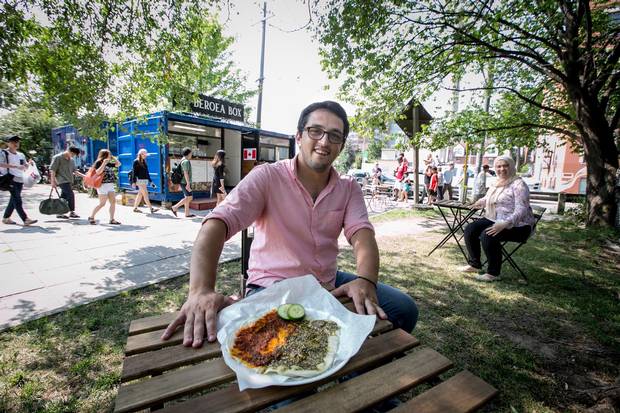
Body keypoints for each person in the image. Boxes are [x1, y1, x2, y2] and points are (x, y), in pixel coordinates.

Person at [161, 101, 418, 347]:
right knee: (287, 358)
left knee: (404, 309)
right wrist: (201, 290)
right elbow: (216, 224)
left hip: (326, 282)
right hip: (271, 287)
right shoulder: (267, 177)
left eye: (334, 136)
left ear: (340, 146)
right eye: (315, 131)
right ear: (298, 136)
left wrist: (366, 280)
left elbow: (362, 235)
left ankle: (356, 371)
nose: (324, 141)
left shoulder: (348, 188)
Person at [460, 156, 536, 282]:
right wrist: (479, 202)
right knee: (470, 229)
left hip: (520, 225)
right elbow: (488, 197)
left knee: (488, 234)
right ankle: (475, 265)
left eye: (505, 165)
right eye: (498, 166)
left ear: (511, 167)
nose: (502, 169)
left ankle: (493, 273)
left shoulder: (519, 184)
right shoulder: (497, 183)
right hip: (496, 218)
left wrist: (505, 223)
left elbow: (521, 210)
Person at [0, 135, 37, 226]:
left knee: (14, 199)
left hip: (20, 179)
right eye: (13, 142)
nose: (16, 144)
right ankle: (25, 219)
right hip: (10, 178)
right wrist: (15, 166)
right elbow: (0, 164)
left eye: (17, 142)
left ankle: (6, 218)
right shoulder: (3, 153)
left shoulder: (21, 154)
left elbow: (24, 165)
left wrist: (28, 164)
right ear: (8, 143)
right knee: (17, 199)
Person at [88, 149, 122, 225]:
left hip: (110, 184)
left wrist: (113, 158)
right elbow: (98, 172)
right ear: (105, 155)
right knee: (102, 204)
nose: (110, 155)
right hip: (102, 185)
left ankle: (112, 219)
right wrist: (103, 163)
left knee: (113, 202)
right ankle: (91, 216)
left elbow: (119, 164)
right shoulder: (99, 162)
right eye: (109, 154)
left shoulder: (108, 163)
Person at [50, 145, 84, 219]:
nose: (73, 156)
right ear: (69, 151)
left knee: (64, 197)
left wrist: (84, 176)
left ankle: (60, 213)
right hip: (61, 180)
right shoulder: (57, 157)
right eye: (73, 154)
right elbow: (53, 170)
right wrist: (52, 182)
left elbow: (74, 171)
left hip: (69, 180)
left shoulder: (71, 160)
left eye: (74, 155)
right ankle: (72, 212)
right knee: (71, 194)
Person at [131, 148, 159, 214]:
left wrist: (151, 181)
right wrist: (133, 182)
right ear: (141, 154)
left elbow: (147, 173)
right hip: (139, 180)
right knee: (145, 194)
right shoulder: (136, 161)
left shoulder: (144, 161)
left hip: (144, 180)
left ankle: (135, 208)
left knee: (140, 194)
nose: (146, 156)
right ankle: (151, 208)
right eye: (145, 155)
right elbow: (134, 173)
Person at [171, 148, 196, 218]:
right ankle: (175, 207)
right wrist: (188, 183)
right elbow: (185, 173)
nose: (192, 154)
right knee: (190, 197)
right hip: (185, 182)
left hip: (183, 182)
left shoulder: (182, 160)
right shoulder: (186, 161)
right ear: (188, 153)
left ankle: (187, 213)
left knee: (186, 197)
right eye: (191, 153)